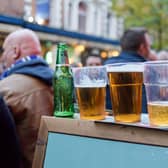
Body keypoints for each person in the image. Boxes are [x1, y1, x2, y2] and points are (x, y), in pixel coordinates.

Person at [0, 29, 54, 168]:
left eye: (3, 51)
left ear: (15, 51)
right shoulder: (60, 81)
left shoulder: (6, 88)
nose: (2, 58)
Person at [104, 27, 152, 113]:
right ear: (142, 47)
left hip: (107, 124)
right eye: (149, 46)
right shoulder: (148, 70)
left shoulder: (106, 66)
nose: (150, 50)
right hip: (138, 125)